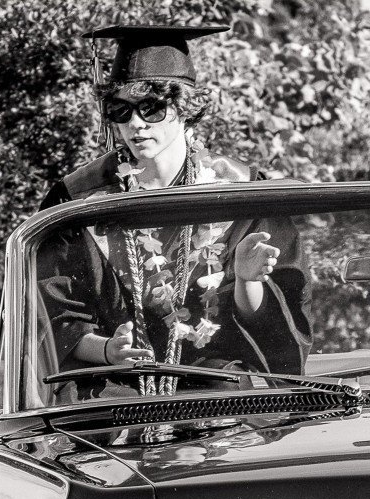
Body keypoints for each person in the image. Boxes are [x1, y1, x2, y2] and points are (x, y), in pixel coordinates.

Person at [36, 23, 311, 392]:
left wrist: (247, 280)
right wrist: (108, 350)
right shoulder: (77, 200)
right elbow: (49, 314)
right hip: (108, 394)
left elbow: (277, 334)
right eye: (121, 110)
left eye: (151, 108)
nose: (135, 124)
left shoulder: (242, 193)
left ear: (183, 108)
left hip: (212, 390)